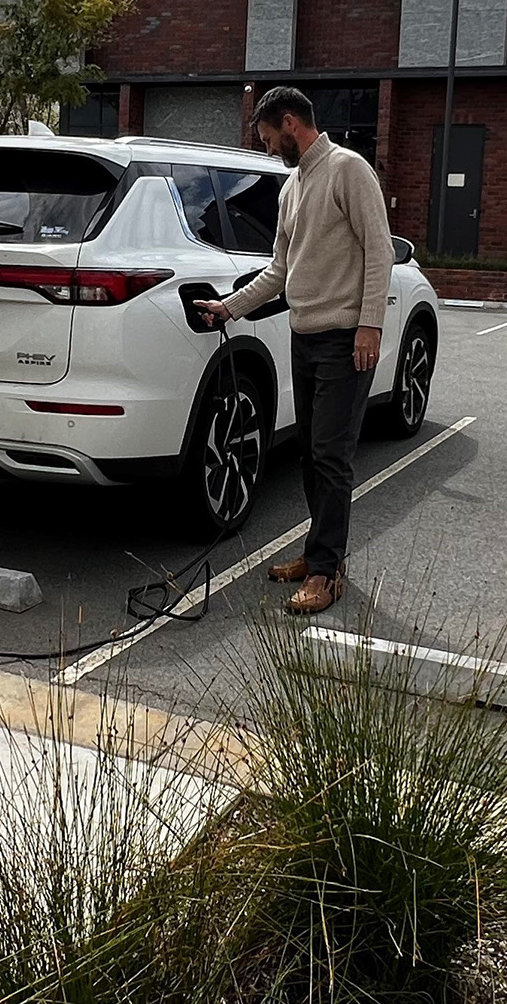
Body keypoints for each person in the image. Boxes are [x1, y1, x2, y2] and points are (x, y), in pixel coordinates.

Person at [192, 85, 392, 615]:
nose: (265, 150)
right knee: (311, 453)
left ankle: (326, 573)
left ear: (289, 123)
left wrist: (370, 325)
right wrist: (228, 308)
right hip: (304, 337)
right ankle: (319, 555)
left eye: (266, 139)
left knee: (331, 456)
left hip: (346, 338)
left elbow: (380, 250)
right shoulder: (291, 188)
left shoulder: (349, 170)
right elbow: (280, 271)